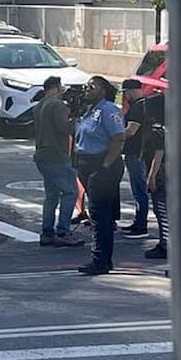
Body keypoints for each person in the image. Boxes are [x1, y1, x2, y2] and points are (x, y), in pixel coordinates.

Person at [73, 76, 127, 276]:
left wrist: (104, 165)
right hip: (86, 164)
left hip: (102, 166)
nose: (87, 89)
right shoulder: (89, 111)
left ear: (103, 91)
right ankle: (103, 259)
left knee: (99, 216)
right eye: (86, 86)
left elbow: (118, 138)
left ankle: (100, 260)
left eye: (91, 87)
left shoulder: (108, 110)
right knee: (98, 214)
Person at [32, 76, 83, 247]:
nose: (62, 91)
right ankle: (63, 230)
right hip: (56, 155)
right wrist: (74, 122)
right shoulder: (57, 105)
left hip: (42, 154)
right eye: (60, 87)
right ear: (55, 88)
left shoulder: (39, 105)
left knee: (51, 195)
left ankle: (47, 232)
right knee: (70, 192)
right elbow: (64, 129)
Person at [121, 79, 154, 240]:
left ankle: (141, 225)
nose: (125, 96)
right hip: (142, 153)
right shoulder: (145, 105)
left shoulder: (137, 107)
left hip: (136, 154)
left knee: (139, 190)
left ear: (131, 91)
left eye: (126, 93)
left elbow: (131, 131)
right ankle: (139, 222)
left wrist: (113, 137)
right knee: (139, 190)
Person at [142, 90, 169, 260]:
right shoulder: (171, 125)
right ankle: (164, 242)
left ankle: (166, 244)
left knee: (162, 210)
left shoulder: (159, 128)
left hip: (161, 174)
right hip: (169, 173)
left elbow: (159, 153)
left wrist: (151, 176)